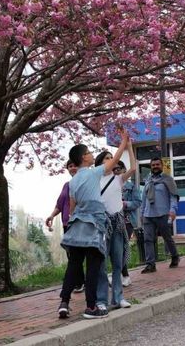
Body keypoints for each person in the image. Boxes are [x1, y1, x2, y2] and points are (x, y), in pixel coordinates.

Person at [57, 129, 130, 320]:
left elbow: (72, 208)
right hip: (95, 226)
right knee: (93, 266)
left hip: (77, 226)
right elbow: (115, 160)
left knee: (73, 265)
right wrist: (123, 142)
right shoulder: (94, 173)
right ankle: (91, 307)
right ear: (84, 157)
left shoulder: (73, 181)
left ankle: (64, 302)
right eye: (88, 152)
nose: (91, 154)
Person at [94, 146, 136, 311]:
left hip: (118, 224)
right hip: (102, 225)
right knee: (101, 264)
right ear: (100, 163)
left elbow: (133, 168)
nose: (111, 160)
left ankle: (118, 298)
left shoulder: (118, 179)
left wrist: (130, 147)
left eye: (112, 157)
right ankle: (102, 299)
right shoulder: (95, 180)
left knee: (118, 263)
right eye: (107, 158)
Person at [45, 160, 84, 293]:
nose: (73, 168)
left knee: (78, 254)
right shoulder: (66, 185)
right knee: (71, 254)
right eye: (70, 166)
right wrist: (51, 216)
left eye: (75, 165)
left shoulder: (85, 183)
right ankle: (79, 281)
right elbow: (60, 205)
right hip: (68, 224)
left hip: (81, 223)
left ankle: (82, 282)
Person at [140, 157, 180, 273]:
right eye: (153, 165)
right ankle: (150, 264)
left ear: (161, 166)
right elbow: (144, 198)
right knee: (148, 239)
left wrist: (172, 210)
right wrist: (142, 213)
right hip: (148, 214)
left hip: (163, 213)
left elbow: (173, 197)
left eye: (157, 165)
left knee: (167, 238)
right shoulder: (148, 180)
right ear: (150, 167)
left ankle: (175, 256)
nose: (155, 167)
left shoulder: (168, 179)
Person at [117, 160, 141, 287]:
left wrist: (125, 204)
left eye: (119, 168)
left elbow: (137, 202)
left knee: (122, 247)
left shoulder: (131, 187)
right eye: (114, 169)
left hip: (127, 221)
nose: (117, 171)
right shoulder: (110, 185)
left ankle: (125, 275)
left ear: (124, 170)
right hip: (113, 220)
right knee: (115, 249)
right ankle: (120, 274)